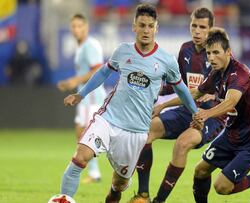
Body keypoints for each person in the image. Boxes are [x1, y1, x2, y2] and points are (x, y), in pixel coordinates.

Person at [58, 4, 199, 203]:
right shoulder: (122, 51)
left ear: (156, 28)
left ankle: (114, 193)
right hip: (108, 120)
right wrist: (80, 95)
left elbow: (182, 89)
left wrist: (195, 113)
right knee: (80, 158)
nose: (146, 30)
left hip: (137, 132)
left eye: (150, 26)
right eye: (142, 25)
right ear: (134, 26)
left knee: (120, 185)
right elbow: (103, 72)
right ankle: (63, 199)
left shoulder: (166, 60)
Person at [128, 7, 226, 203]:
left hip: (211, 116)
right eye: (194, 26)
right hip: (187, 110)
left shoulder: (219, 55)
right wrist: (156, 91)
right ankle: (143, 195)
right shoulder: (186, 49)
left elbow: (223, 91)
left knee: (182, 144)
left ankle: (160, 200)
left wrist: (164, 106)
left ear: (211, 29)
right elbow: (177, 84)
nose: (197, 31)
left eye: (203, 27)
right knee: (146, 131)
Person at [191, 28, 250, 203]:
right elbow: (194, 94)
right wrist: (162, 105)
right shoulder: (217, 73)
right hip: (233, 134)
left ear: (228, 52)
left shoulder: (240, 74)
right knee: (200, 170)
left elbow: (230, 102)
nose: (211, 58)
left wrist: (206, 114)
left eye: (216, 53)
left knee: (222, 187)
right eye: (208, 53)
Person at [57, 13, 106, 183]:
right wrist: (73, 83)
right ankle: (94, 172)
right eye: (73, 26)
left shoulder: (90, 45)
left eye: (79, 26)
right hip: (84, 98)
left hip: (92, 98)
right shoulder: (81, 46)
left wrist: (74, 81)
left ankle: (94, 172)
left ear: (86, 27)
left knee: (85, 135)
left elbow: (97, 70)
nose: (76, 29)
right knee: (81, 134)